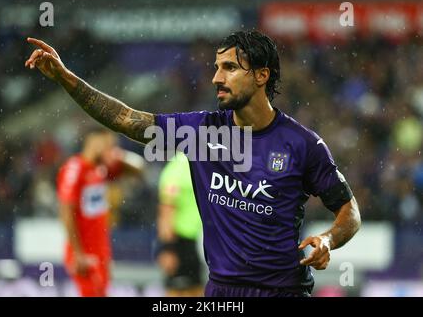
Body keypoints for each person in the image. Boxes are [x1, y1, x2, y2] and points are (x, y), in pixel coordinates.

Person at [25, 30, 361, 297]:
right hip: (220, 292)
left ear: (262, 75)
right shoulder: (200, 131)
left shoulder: (303, 144)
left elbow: (349, 212)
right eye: (216, 67)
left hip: (282, 291)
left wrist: (328, 240)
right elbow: (126, 120)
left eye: (229, 68)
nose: (216, 77)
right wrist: (66, 78)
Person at [56, 127, 144, 297]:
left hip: (101, 249)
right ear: (94, 142)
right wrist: (78, 253)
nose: (111, 149)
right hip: (84, 252)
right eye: (108, 144)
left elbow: (139, 168)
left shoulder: (101, 169)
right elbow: (66, 211)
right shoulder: (76, 168)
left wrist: (119, 155)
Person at [157, 152, 204, 297]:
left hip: (197, 241)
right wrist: (168, 248)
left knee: (197, 289)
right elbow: (166, 212)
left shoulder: (199, 163)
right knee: (178, 292)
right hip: (181, 242)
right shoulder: (177, 168)